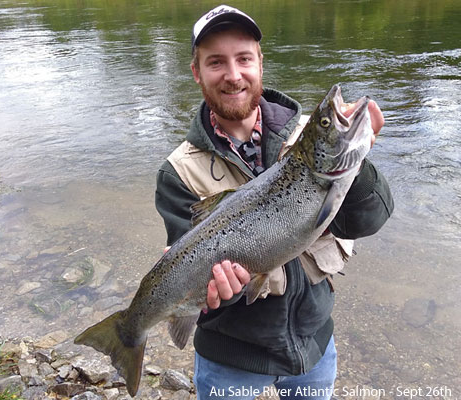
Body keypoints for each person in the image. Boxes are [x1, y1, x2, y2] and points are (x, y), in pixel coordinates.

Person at [155, 5, 394, 400]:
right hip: (228, 360)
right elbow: (190, 269)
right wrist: (212, 291)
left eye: (244, 58)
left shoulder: (306, 138)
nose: (233, 75)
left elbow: (368, 220)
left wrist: (360, 157)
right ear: (197, 72)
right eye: (216, 62)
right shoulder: (177, 172)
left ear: (260, 63)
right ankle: (127, 333)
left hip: (313, 346)